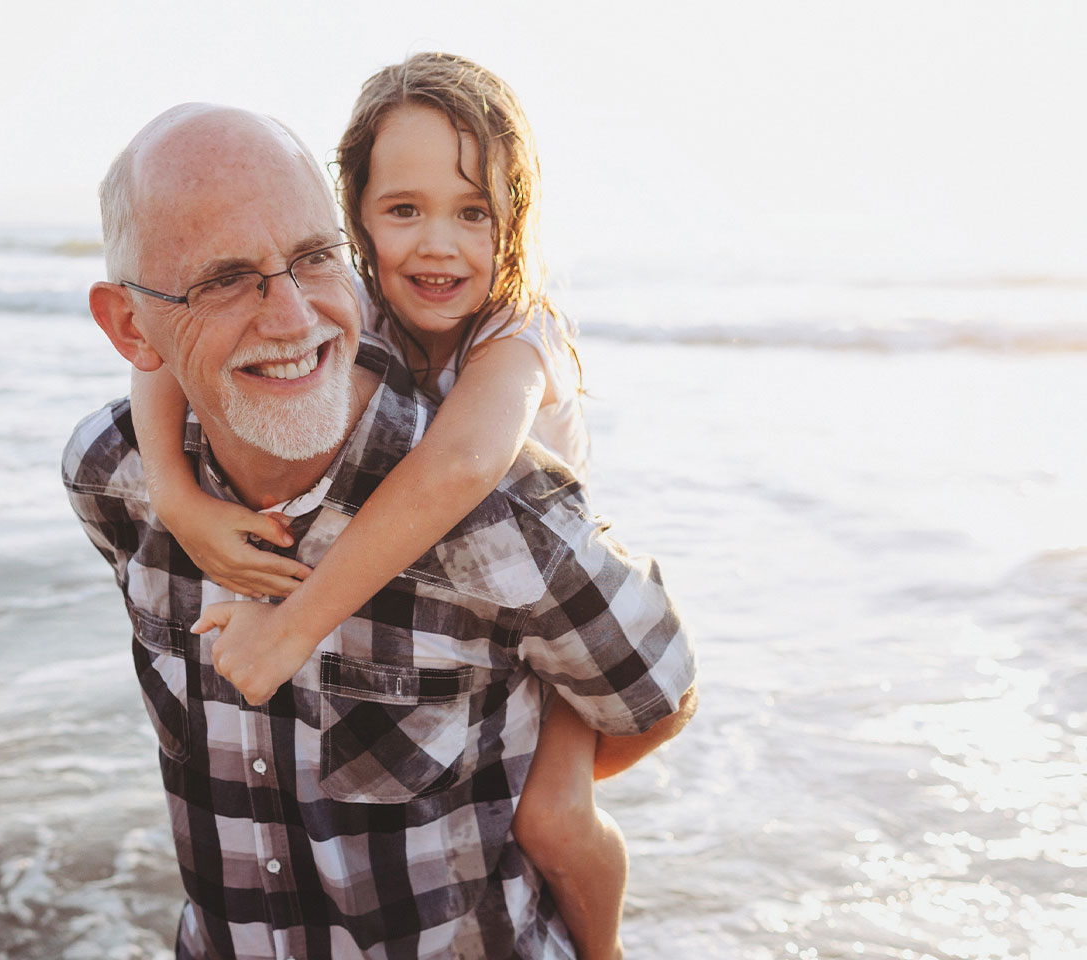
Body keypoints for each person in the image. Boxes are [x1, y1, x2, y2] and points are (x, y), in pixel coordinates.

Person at [63, 101, 697, 959]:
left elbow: (654, 689)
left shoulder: (501, 476)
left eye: (308, 259)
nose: (290, 317)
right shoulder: (118, 479)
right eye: (223, 279)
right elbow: (163, 387)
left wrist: (525, 789)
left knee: (559, 820)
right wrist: (176, 498)